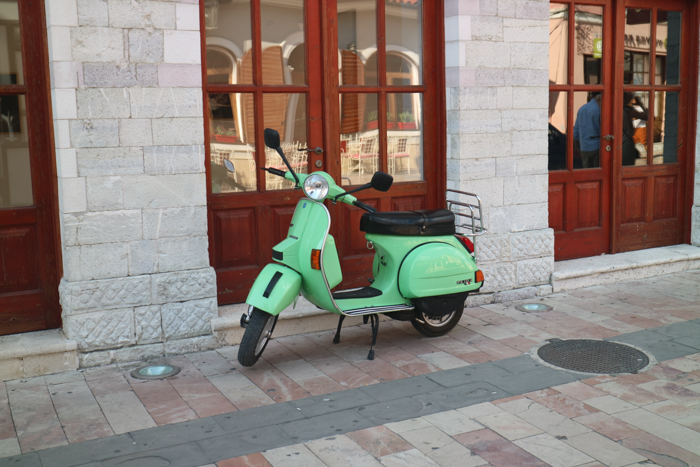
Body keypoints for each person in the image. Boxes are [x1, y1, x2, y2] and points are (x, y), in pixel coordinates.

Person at [573, 92, 601, 168]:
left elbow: (576, 130)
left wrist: (577, 147)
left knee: (588, 173)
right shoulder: (600, 108)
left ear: (591, 96)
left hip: (584, 146)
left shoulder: (582, 108)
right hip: (598, 145)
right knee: (598, 174)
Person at [622, 92, 648, 166]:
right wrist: (641, 104)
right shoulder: (628, 110)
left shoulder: (616, 108)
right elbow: (648, 116)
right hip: (626, 141)